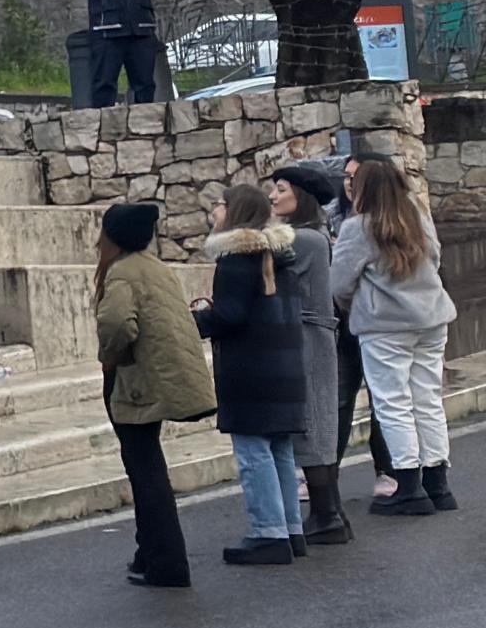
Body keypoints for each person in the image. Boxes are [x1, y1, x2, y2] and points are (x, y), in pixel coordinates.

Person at [92, 201, 212, 587]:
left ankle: (166, 562)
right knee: (148, 467)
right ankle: (149, 554)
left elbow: (116, 324)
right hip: (162, 376)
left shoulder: (122, 272)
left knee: (146, 473)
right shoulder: (154, 267)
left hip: (135, 380)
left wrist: (110, 357)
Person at [191, 184, 310, 570]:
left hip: (251, 369)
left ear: (235, 211)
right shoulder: (280, 254)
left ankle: (267, 532)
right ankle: (290, 528)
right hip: (285, 364)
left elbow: (230, 316)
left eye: (219, 206)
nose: (213, 212)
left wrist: (195, 319)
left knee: (253, 451)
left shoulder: (236, 259)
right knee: (279, 449)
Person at [337, 153, 457, 515]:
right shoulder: (417, 219)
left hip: (384, 325)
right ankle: (438, 484)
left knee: (392, 403)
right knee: (427, 398)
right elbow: (434, 260)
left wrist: (357, 305)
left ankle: (408, 485)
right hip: (431, 317)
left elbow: (339, 283)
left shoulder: (358, 228)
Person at [271, 163, 354, 550]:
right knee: (316, 422)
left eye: (281, 189)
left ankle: (326, 514)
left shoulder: (303, 240)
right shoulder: (314, 237)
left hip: (308, 337)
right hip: (311, 334)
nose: (273, 196)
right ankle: (330, 511)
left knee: (314, 424)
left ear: (300, 195)